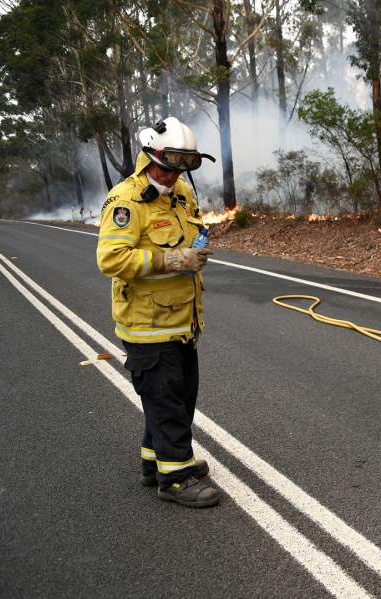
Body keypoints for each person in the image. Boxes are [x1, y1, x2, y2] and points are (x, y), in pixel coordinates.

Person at [96, 116, 220, 508]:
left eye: (183, 167)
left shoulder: (181, 194)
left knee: (178, 399)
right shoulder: (126, 201)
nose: (174, 176)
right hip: (148, 326)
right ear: (148, 157)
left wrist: (197, 248)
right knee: (166, 401)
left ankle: (155, 462)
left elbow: (189, 237)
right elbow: (110, 258)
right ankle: (177, 477)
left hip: (182, 321)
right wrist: (172, 260)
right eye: (168, 167)